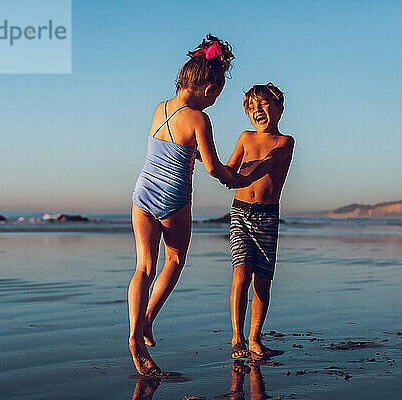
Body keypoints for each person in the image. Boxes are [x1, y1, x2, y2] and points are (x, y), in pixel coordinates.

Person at [128, 34, 248, 376]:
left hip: (143, 194)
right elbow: (214, 168)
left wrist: (192, 153)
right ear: (208, 88)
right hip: (173, 198)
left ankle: (135, 334)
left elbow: (170, 149)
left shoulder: (159, 108)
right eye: (217, 96)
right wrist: (238, 180)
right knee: (175, 260)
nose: (214, 103)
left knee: (144, 267)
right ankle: (148, 319)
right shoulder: (200, 119)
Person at [225, 83, 295, 360]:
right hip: (240, 213)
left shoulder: (285, 142)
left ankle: (254, 338)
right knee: (241, 272)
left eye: (264, 104)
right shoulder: (245, 138)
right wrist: (204, 159)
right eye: (252, 107)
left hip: (267, 218)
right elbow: (228, 170)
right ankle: (237, 337)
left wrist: (243, 178)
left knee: (262, 281)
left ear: (279, 108)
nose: (258, 111)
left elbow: (268, 163)